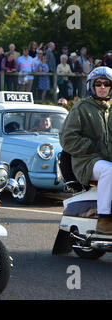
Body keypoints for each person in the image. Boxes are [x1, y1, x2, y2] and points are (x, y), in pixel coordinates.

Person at [60, 67, 112, 234]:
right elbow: (67, 139)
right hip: (87, 162)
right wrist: (90, 146)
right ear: (92, 86)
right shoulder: (81, 108)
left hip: (106, 159)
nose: (102, 87)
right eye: (98, 83)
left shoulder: (110, 109)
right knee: (109, 170)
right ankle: (104, 219)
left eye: (107, 83)